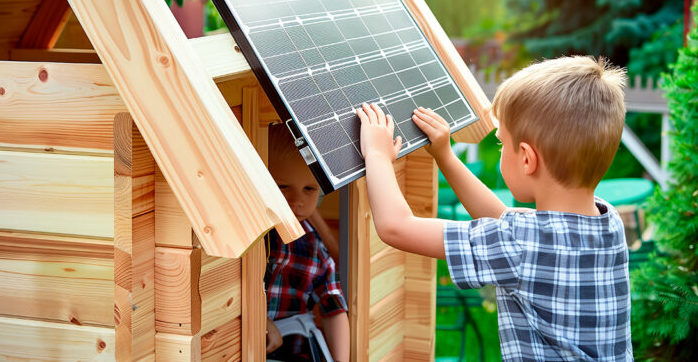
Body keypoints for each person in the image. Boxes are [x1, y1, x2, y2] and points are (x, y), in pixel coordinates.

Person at [357, 56, 633, 361]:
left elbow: (397, 227)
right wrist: (446, 157)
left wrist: (377, 155)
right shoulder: (607, 222)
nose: (500, 150)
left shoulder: (518, 243)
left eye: (502, 144)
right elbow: (503, 219)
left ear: (527, 159)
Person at [265, 124, 349, 361]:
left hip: (295, 351)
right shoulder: (251, 237)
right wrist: (260, 319)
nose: (297, 201)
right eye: (283, 187)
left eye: (309, 189)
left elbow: (333, 306)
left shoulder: (313, 247)